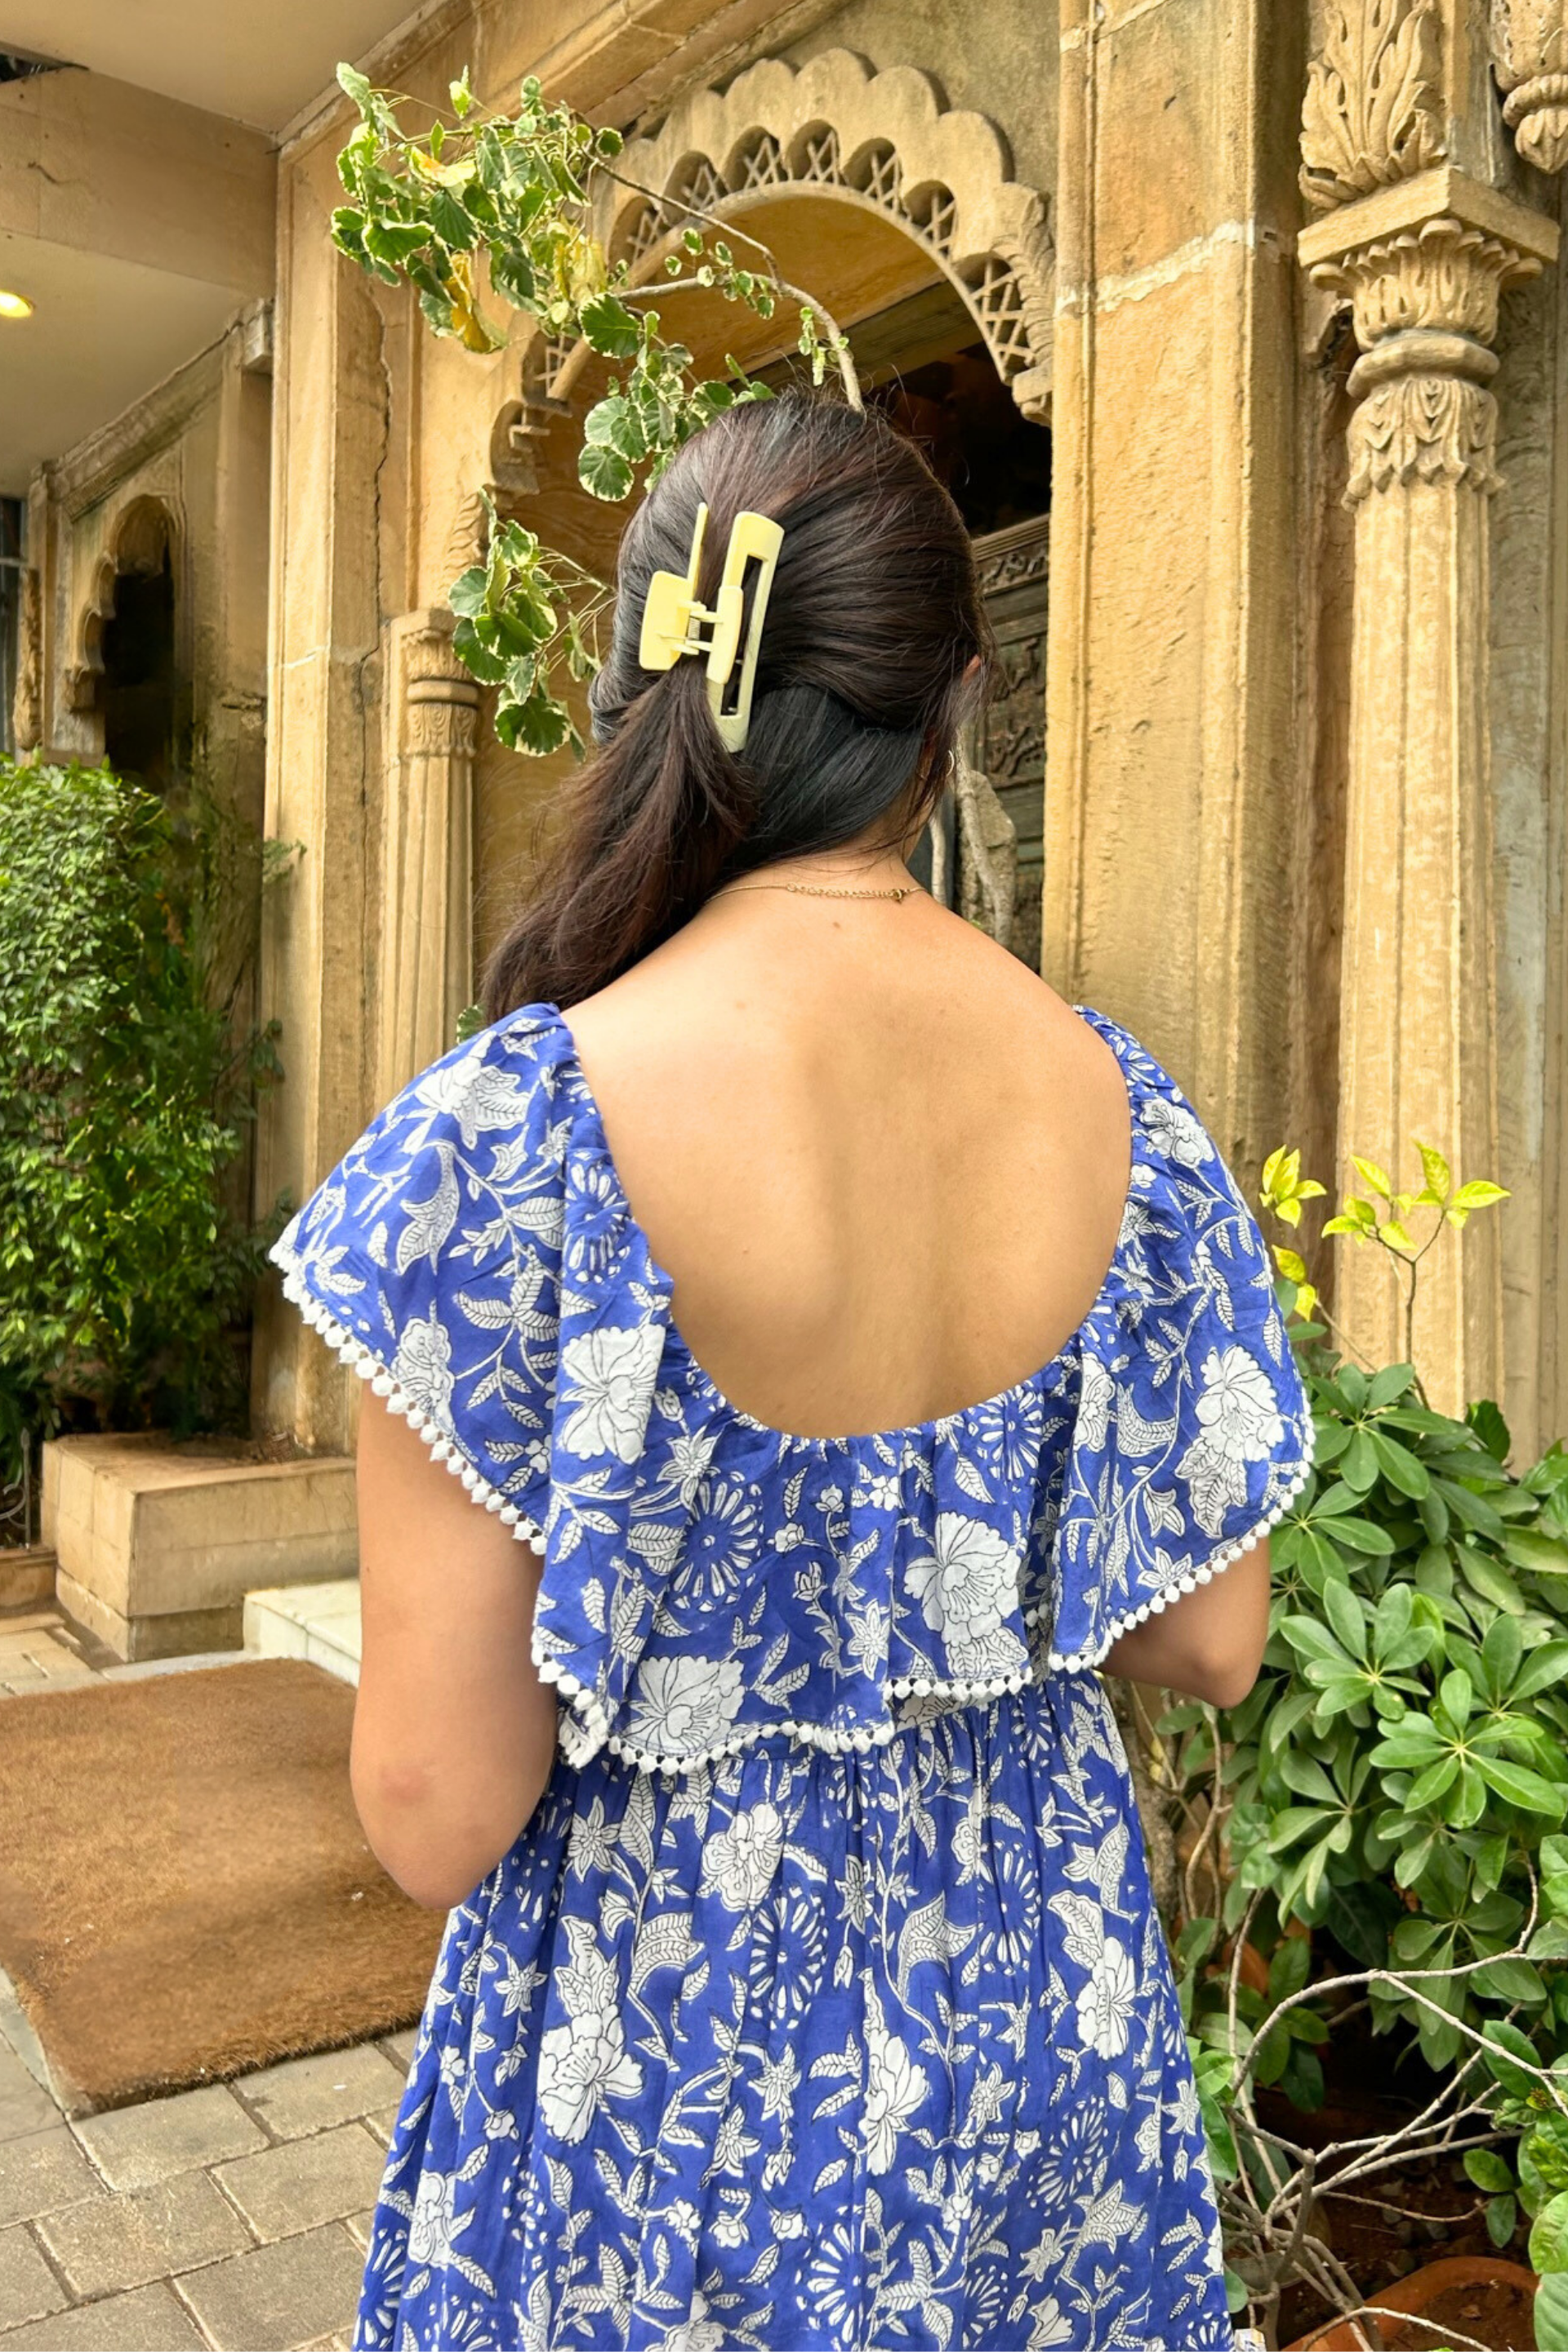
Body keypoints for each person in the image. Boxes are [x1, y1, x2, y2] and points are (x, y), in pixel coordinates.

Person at [270, 389, 1313, 2352]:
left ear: (649, 686)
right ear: (952, 709)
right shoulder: (1124, 1115)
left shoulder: (512, 1151)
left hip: (671, 2117)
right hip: (1046, 2059)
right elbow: (1211, 1640)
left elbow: (434, 1811)